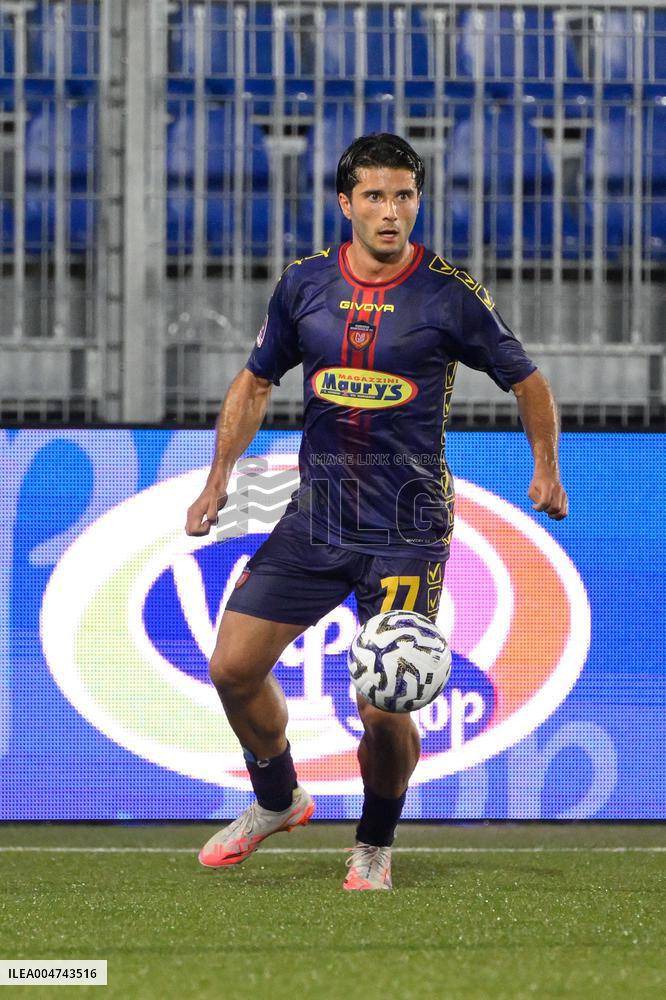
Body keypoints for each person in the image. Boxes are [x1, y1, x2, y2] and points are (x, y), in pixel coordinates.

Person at [185, 133, 568, 891]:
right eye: (375, 197)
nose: (391, 213)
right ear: (346, 203)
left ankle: (373, 844)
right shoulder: (305, 286)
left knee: (384, 700)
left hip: (407, 526)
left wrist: (546, 468)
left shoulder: (449, 294)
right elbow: (256, 380)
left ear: (416, 202)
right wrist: (218, 476)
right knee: (231, 667)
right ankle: (278, 799)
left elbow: (526, 381)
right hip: (317, 516)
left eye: (404, 197)